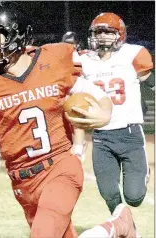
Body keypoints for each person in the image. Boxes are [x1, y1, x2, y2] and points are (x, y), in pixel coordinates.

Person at [0, 1, 113, 237]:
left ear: (16, 35)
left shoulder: (53, 62)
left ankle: (112, 228)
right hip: (22, 181)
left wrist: (104, 112)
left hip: (60, 167)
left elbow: (99, 96)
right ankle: (118, 226)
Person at [79, 12, 153, 217]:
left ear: (119, 35)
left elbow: (151, 81)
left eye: (108, 32)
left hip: (130, 133)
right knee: (109, 193)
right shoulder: (84, 60)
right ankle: (125, 227)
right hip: (101, 136)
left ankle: (142, 175)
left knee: (134, 197)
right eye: (98, 32)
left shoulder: (133, 54)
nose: (102, 36)